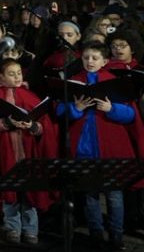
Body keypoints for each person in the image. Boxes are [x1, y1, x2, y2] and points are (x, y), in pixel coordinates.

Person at [55, 41, 140, 250]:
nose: (90, 62)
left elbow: (131, 115)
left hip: (111, 149)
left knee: (115, 196)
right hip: (84, 148)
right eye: (86, 58)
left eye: (94, 58)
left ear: (104, 61)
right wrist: (76, 108)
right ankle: (95, 234)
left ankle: (116, 235)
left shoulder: (115, 82)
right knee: (90, 196)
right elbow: (60, 112)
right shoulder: (74, 81)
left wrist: (111, 108)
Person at [0, 59, 56, 245]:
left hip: (29, 149)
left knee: (30, 190)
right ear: (1, 77)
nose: (16, 77)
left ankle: (31, 229)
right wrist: (7, 123)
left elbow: (44, 126)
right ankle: (12, 227)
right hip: (6, 150)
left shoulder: (31, 96)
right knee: (10, 189)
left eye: (19, 73)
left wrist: (32, 126)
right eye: (11, 74)